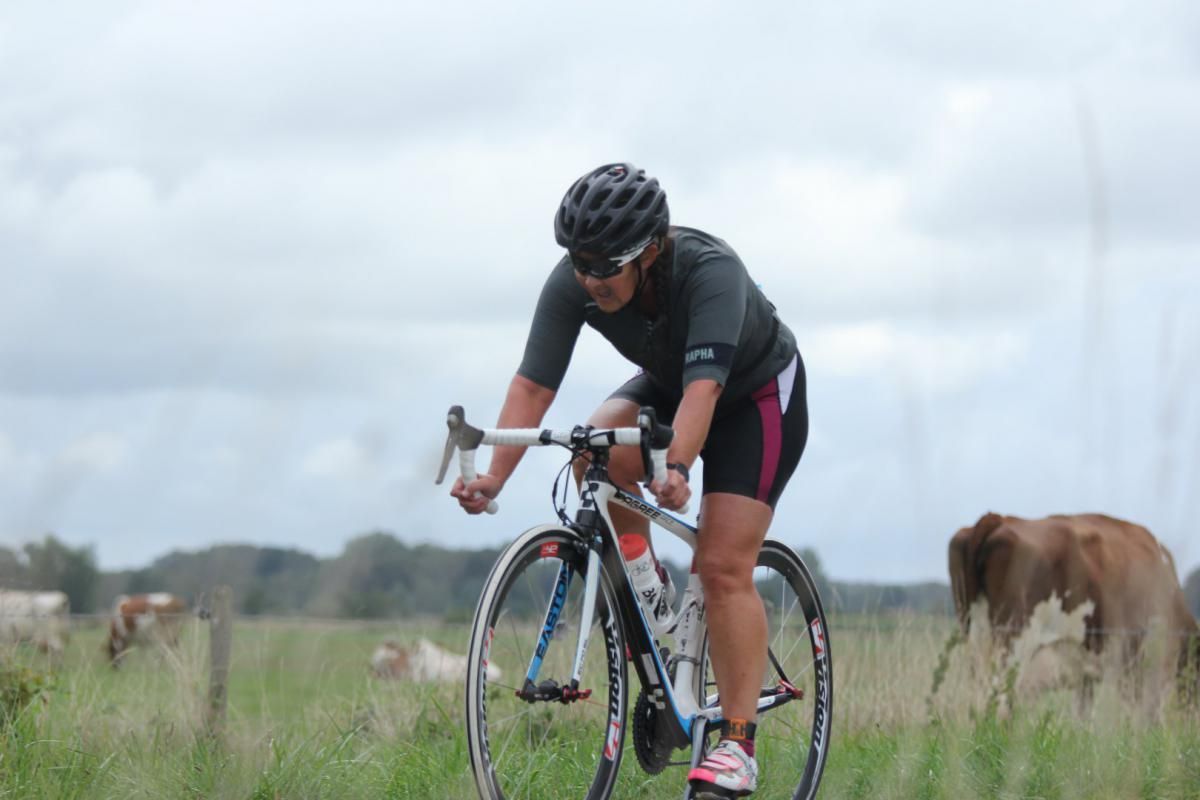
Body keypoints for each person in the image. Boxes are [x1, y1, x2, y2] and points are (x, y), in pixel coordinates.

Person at [450, 162, 808, 799]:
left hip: (754, 398)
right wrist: (495, 478)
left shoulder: (710, 273)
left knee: (724, 563)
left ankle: (738, 745)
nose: (591, 279)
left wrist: (677, 467)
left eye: (604, 266)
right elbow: (533, 384)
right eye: (580, 263)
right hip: (672, 388)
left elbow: (704, 391)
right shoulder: (577, 282)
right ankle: (651, 588)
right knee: (592, 449)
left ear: (649, 252)